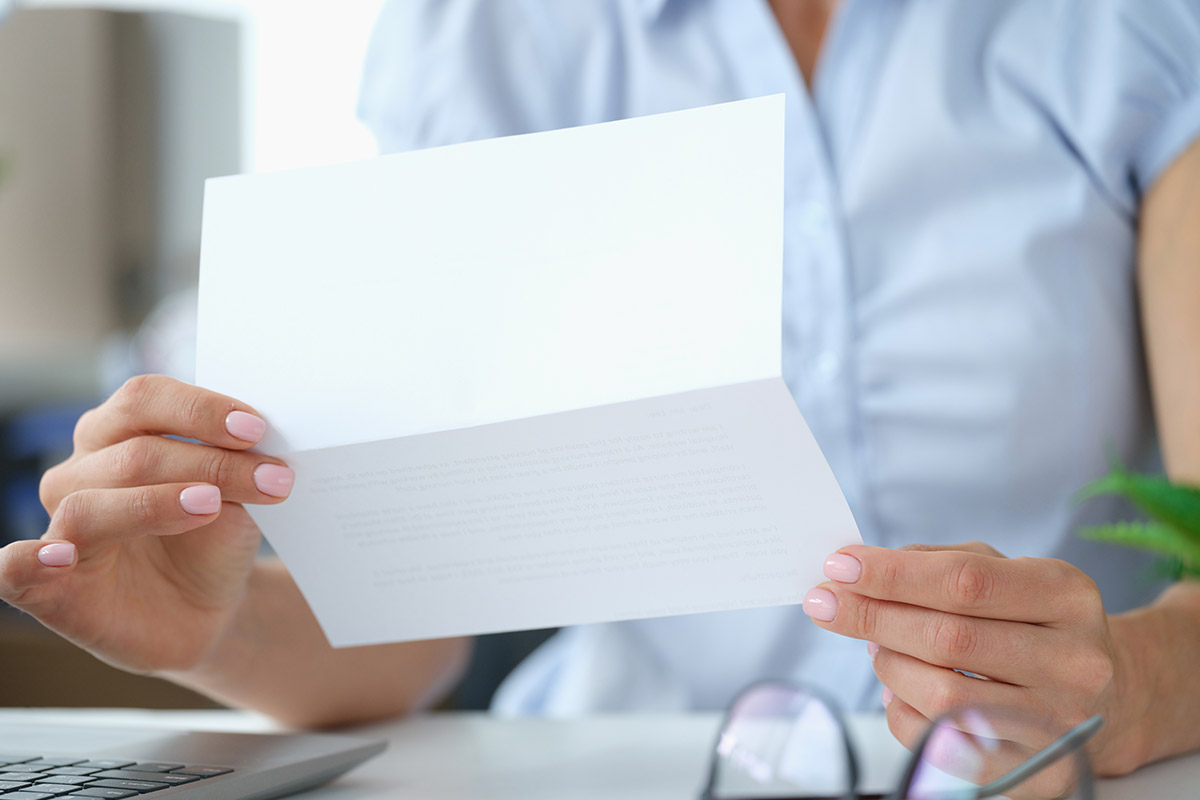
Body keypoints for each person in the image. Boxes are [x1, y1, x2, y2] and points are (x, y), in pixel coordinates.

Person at [2, 0, 1199, 783]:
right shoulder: (488, 33)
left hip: (1045, 772)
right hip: (614, 763)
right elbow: (422, 618)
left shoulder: (1120, 27)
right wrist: (215, 629)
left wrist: (1132, 677)